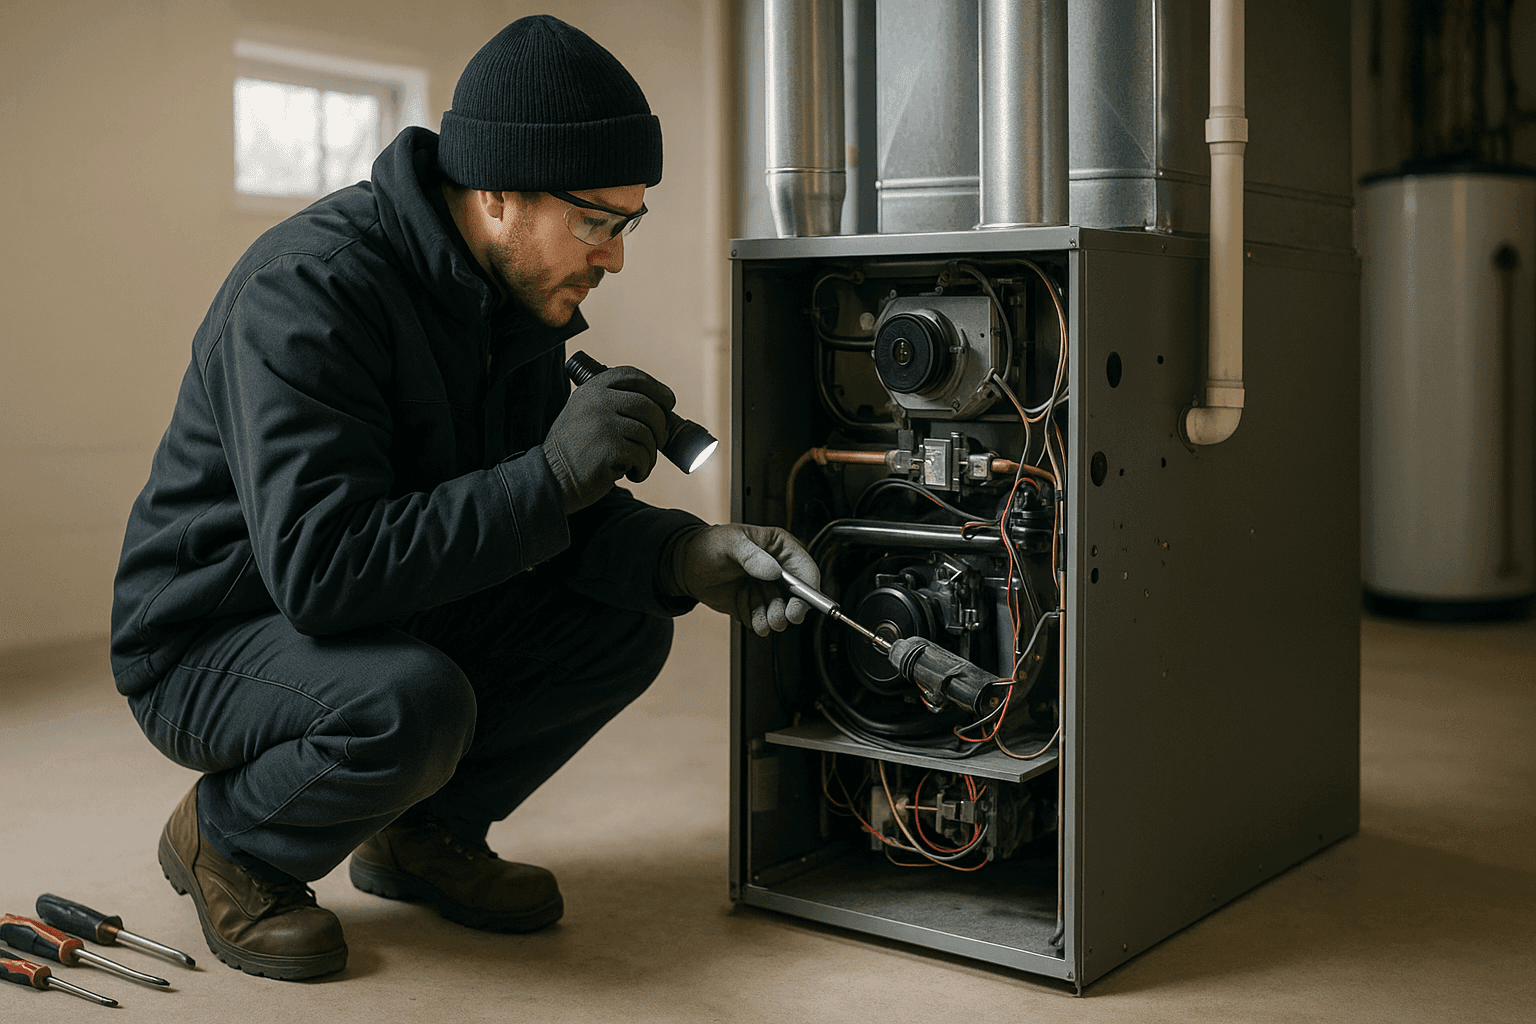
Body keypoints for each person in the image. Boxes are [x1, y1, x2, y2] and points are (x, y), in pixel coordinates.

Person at [109, 14, 816, 982]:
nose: (614, 257)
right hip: (211, 635)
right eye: (597, 222)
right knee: (410, 702)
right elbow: (324, 573)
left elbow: (531, 515)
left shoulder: (505, 299)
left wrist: (681, 555)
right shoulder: (308, 290)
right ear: (498, 191)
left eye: (628, 223)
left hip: (368, 605)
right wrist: (552, 473)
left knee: (622, 620)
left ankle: (419, 835)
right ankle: (231, 839)